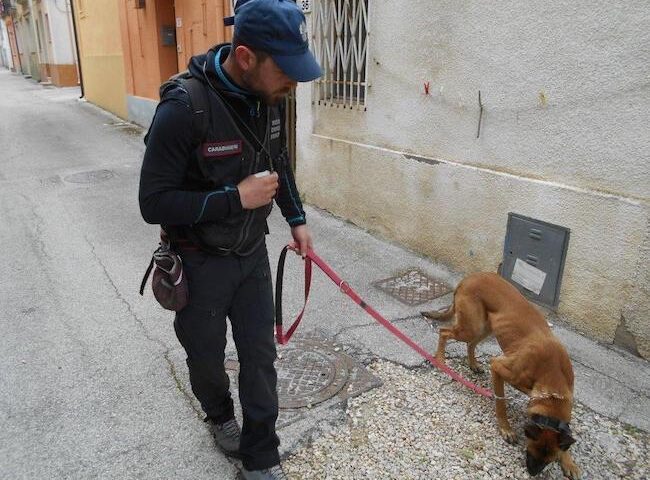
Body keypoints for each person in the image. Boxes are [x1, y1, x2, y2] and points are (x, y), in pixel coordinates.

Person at [138, 0, 321, 478]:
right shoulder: (184, 107)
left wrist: (296, 218)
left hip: (252, 255)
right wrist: (234, 198)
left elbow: (277, 162)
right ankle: (219, 416)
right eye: (286, 70)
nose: (294, 83)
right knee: (206, 358)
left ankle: (260, 459)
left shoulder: (272, 100)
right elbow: (153, 202)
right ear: (245, 57)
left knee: (260, 358)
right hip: (198, 264)